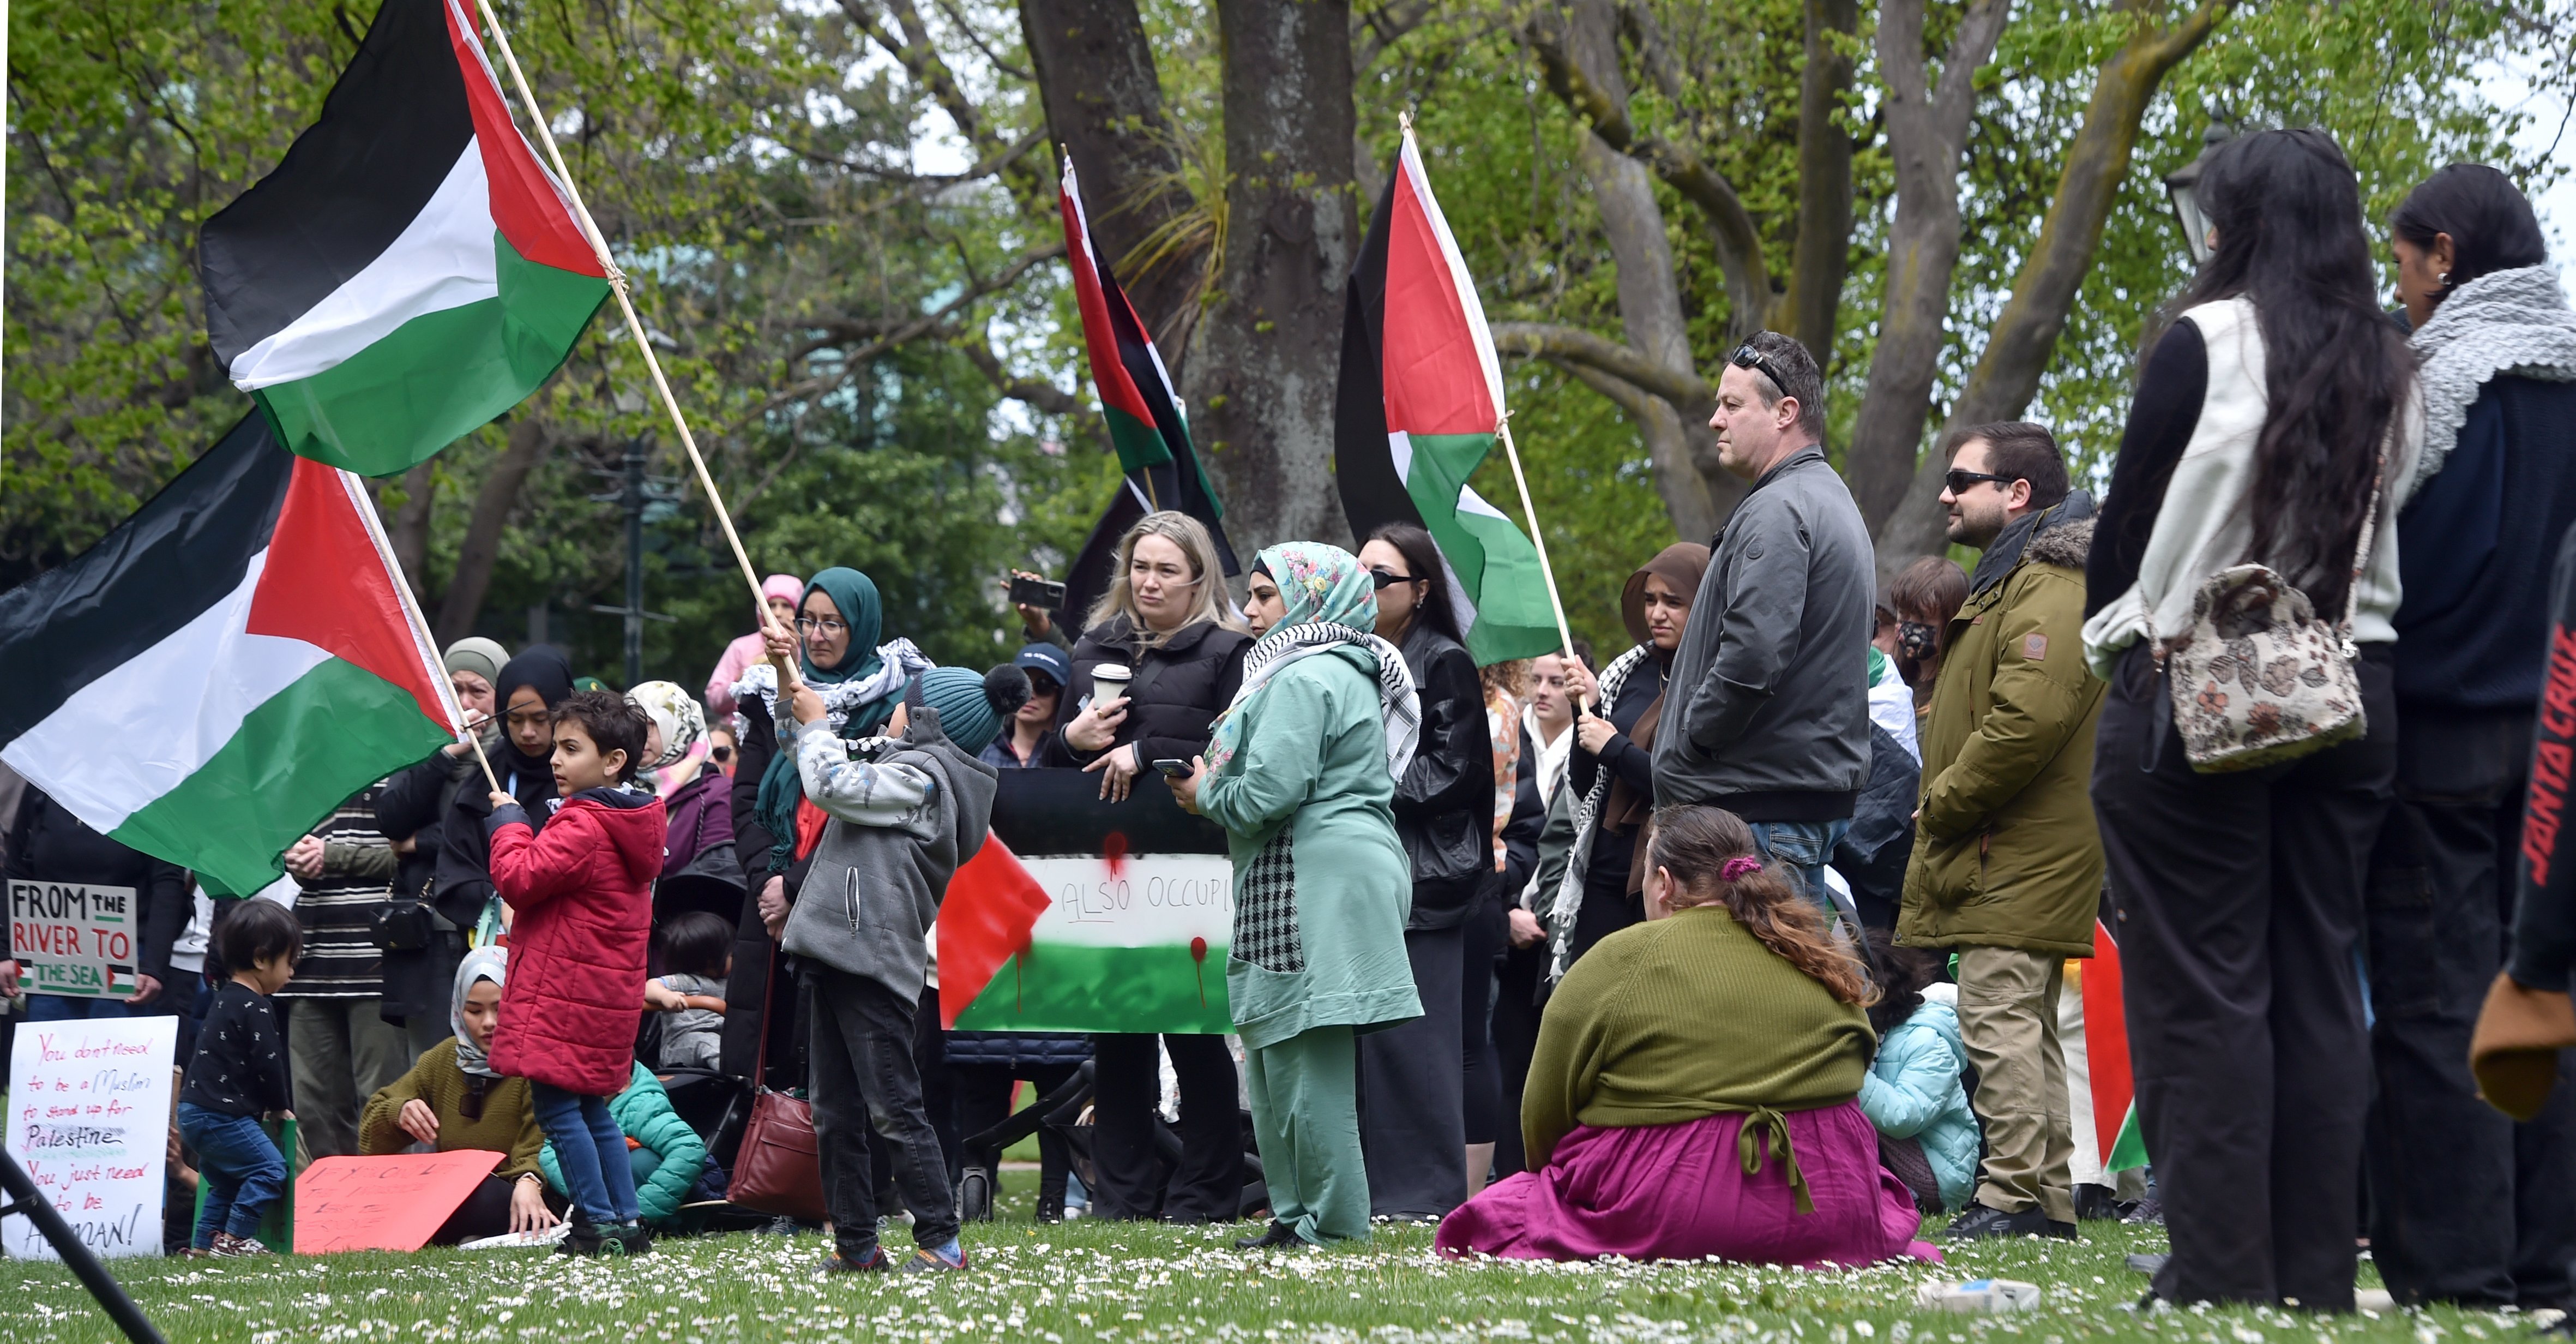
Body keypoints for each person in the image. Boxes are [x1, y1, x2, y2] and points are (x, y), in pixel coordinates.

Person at [2081, 128, 2419, 1310]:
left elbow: (2123, 533)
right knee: (2320, 978)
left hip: (2199, 681)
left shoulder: (2203, 342)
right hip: (2349, 683)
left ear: (2237, 225)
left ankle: (2220, 1268)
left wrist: (2112, 641)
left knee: (2201, 982)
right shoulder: (2391, 357)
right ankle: (2314, 1271)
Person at [2366, 165, 2576, 1309]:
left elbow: (2404, 567)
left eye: (2402, 264)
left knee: (2437, 1003)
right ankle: (2552, 1257)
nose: (2400, 293)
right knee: (2544, 995)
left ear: (2444, 254)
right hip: (2559, 739)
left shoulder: (2436, 382)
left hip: (2441, 734)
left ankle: (2457, 1267)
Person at [1435, 805, 1931, 1266]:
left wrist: (1554, 1179)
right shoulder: (1812, 952)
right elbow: (1855, 1063)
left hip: (1674, 1192)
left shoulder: (1620, 957)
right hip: (1828, 1197)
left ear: (1665, 883)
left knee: (1504, 1211)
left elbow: (1545, 1112)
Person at [1167, 542, 1422, 1247]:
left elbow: (1268, 794)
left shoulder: (1306, 675)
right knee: (1280, 1058)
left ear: (1313, 600)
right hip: (1302, 872)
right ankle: (1295, 1217)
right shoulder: (1316, 669)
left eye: (1264, 595)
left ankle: (1332, 1226)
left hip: (1318, 875)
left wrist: (1203, 791)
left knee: (1309, 1069)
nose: (1249, 610)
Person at [1901, 421, 2104, 1240]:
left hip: (2014, 841)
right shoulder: (2012, 579)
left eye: (1961, 479)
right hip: (2006, 840)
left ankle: (2013, 1197)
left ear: (2018, 494)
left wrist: (1944, 803)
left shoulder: (2053, 584)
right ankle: (2047, 1200)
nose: (1945, 494)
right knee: (2024, 1020)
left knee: (1996, 1013)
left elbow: (2026, 722)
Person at [772, 662, 1022, 1273]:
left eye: (903, 702)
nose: (891, 709)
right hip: (836, 951)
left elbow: (829, 780)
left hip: (872, 960)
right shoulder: (897, 761)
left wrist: (814, 726)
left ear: (927, 719)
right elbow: (804, 746)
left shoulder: (922, 781)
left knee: (892, 1106)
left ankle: (941, 1241)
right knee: (833, 1111)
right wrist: (788, 692)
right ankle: (856, 1245)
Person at [1044, 512, 1251, 1223]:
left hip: (1191, 860)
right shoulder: (1093, 646)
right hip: (1106, 864)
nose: (1150, 581)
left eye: (1167, 569)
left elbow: (1236, 739)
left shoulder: (1231, 651)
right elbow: (1059, 763)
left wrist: (1148, 748)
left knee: (1194, 1036)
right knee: (1118, 1038)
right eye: (1140, 566)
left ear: (1198, 579)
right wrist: (1071, 737)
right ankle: (1122, 1196)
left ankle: (1206, 1192)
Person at [1654, 331, 1874, 911]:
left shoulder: (1780, 508)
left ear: (1785, 413)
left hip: (1756, 813)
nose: (1713, 421)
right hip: (1775, 805)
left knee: (1744, 998)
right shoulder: (1819, 498)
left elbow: (1752, 657)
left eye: (1731, 405)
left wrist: (1694, 737)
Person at [721, 567, 929, 1085]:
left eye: (833, 623)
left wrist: (796, 887)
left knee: (834, 1071)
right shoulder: (773, 691)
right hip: (768, 900)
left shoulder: (894, 700)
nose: (816, 635)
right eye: (809, 621)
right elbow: (747, 798)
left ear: (860, 627)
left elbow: (869, 814)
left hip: (846, 902)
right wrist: (768, 883)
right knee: (763, 1053)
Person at [482, 689, 666, 1256]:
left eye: (570, 748)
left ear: (613, 761)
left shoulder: (583, 823)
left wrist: (508, 823)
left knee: (561, 1110)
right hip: (599, 997)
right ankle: (626, 1222)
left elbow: (518, 879)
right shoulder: (628, 821)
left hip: (563, 996)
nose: (555, 760)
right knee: (593, 1109)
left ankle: (595, 1222)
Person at [1346, 523, 1492, 1221]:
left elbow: (1452, 771)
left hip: (1426, 879)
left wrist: (1354, 784)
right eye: (1357, 573)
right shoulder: (1356, 658)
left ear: (1421, 589)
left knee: (1419, 1042)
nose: (1364, 587)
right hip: (1368, 871)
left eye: (1380, 577)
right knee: (1371, 1041)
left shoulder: (1441, 661)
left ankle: (1427, 1195)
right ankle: (1378, 1190)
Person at [1546, 545, 1711, 974]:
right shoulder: (1629, 671)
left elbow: (1688, 786)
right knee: (1591, 997)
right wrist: (1592, 711)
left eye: (1674, 602)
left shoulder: (1718, 682)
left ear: (1706, 602)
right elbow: (1588, 785)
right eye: (1651, 600)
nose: (1657, 613)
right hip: (1604, 864)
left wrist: (1615, 746)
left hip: (1671, 872)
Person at [361, 948, 562, 1244]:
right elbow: (370, 1136)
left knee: (484, 1196)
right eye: (475, 1011)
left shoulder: (536, 1057)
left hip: (521, 1191)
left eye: (499, 1007)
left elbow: (544, 1139)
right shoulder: (443, 1059)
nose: (489, 1022)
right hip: (453, 1191)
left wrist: (529, 1178)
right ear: (458, 1009)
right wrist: (399, 1113)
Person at [378, 637, 510, 1057]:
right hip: (427, 937)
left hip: (488, 932)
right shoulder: (424, 747)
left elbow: (486, 834)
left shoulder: (514, 756)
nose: (467, 701)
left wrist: (421, 841)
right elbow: (393, 817)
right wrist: (447, 754)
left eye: (479, 691)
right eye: (456, 690)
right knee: (432, 1062)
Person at [275, 782, 408, 1159]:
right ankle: (330, 1210)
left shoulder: (405, 765)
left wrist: (333, 856)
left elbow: (420, 856)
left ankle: (390, 1211)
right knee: (313, 1106)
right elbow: (297, 852)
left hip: (377, 962)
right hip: (311, 962)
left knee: (382, 1105)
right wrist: (297, 858)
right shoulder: (311, 768)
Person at [176, 899, 300, 1256]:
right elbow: (270, 1063)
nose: (291, 973)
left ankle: (202, 1248)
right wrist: (280, 1108)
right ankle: (234, 1241)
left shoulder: (223, 998)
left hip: (194, 1113)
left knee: (226, 1183)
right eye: (289, 962)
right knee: (271, 1170)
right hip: (220, 1116)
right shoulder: (257, 1006)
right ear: (262, 959)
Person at [0, 784, 188, 1019]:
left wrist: (154, 966)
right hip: (48, 957)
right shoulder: (43, 782)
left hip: (125, 960)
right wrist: (6, 951)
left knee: (115, 1050)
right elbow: (15, 871)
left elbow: (168, 881)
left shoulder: (149, 785)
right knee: (49, 1048)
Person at [432, 648, 573, 952]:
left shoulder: (585, 778)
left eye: (540, 719)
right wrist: (500, 902)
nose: (527, 732)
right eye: (515, 719)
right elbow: (455, 874)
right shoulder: (484, 781)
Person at [1858, 929, 1978, 1216]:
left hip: (1937, 1173)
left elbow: (1903, 1117)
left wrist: (1848, 1072)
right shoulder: (1879, 1033)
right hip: (1908, 1156)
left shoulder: (1928, 1039)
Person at [539, 1061, 707, 1233]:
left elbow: (689, 1148)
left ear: (622, 1082)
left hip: (665, 1212)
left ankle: (651, 1226)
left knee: (640, 1161)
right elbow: (549, 1154)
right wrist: (594, 1195)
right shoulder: (579, 1108)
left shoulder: (643, 1105)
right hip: (612, 1209)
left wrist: (642, 1211)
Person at [629, 680, 744, 929]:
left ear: (680, 726)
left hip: (679, 948)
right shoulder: (618, 790)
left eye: (650, 725)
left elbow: (711, 886)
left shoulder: (717, 794)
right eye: (631, 725)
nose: (639, 736)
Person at [705, 573, 804, 718]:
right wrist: (743, 679)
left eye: (786, 606)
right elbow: (714, 699)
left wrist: (800, 649)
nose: (777, 613)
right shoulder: (740, 647)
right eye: (771, 605)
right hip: (740, 727)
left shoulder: (810, 647)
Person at [649, 910, 733, 1071]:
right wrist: (665, 996)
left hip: (720, 1039)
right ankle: (736, 1073)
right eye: (730, 955)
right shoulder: (689, 981)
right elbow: (650, 986)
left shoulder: (730, 981)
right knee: (708, 1043)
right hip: (681, 1044)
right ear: (710, 962)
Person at [1888, 559, 1969, 715]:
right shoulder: (1888, 679)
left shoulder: (1958, 696)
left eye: (1923, 617)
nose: (1910, 626)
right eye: (1904, 615)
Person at [982, 644, 1073, 769]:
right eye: (1020, 685)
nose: (1029, 695)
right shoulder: (981, 752)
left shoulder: (1070, 759)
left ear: (1061, 695)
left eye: (1043, 686)